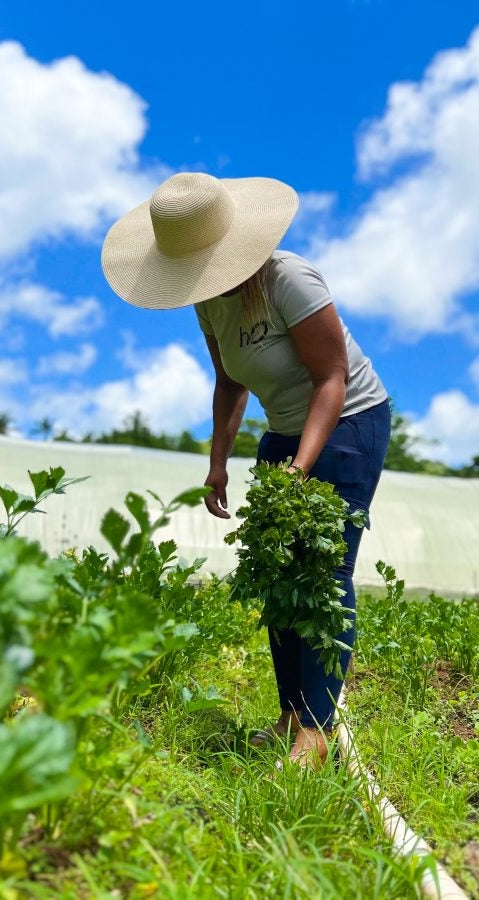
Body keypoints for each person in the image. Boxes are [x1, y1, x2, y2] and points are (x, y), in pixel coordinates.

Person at [102, 171, 391, 767]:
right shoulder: (209, 301)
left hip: (348, 422)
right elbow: (230, 380)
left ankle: (316, 729)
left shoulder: (290, 278)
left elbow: (331, 379)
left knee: (324, 571)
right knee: (277, 576)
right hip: (283, 429)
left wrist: (300, 468)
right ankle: (289, 716)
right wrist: (218, 461)